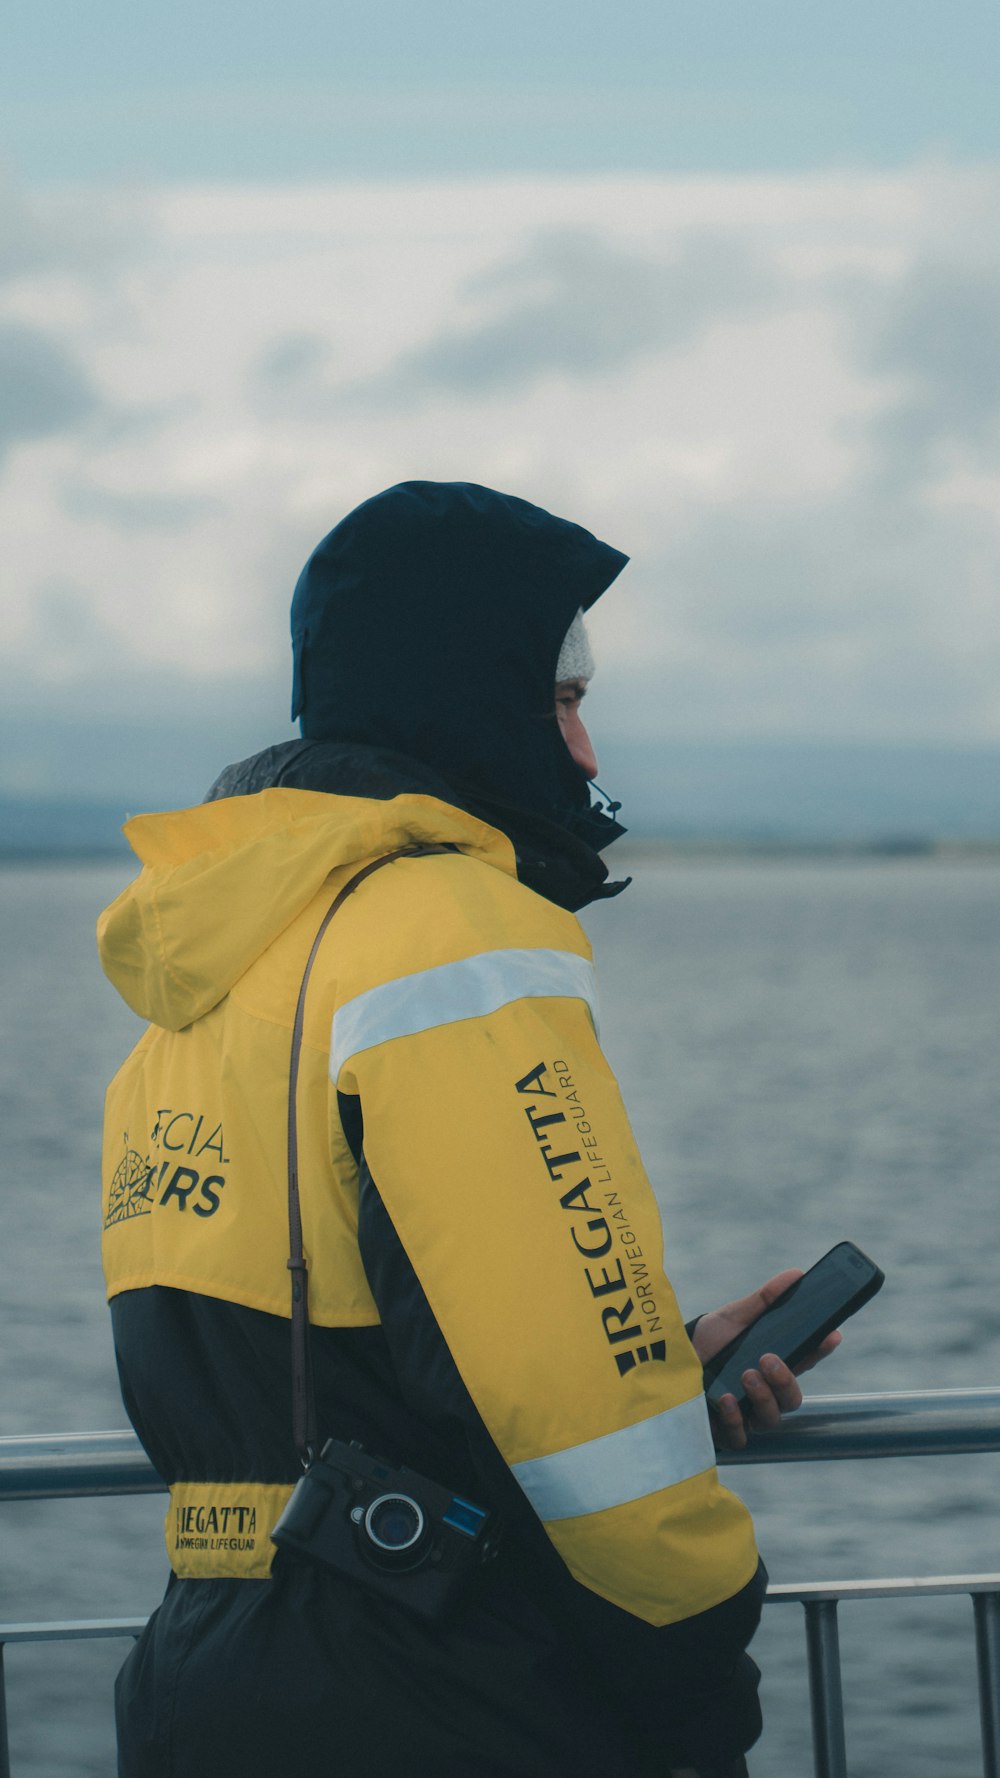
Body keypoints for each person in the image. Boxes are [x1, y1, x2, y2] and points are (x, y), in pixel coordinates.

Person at [98, 480, 839, 1778]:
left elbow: (331, 1366)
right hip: (446, 1691)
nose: (590, 754)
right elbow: (556, 1395)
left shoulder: (219, 970)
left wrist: (664, 1360)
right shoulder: (454, 931)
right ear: (466, 687)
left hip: (211, 1667)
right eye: (563, 698)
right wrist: (701, 1673)